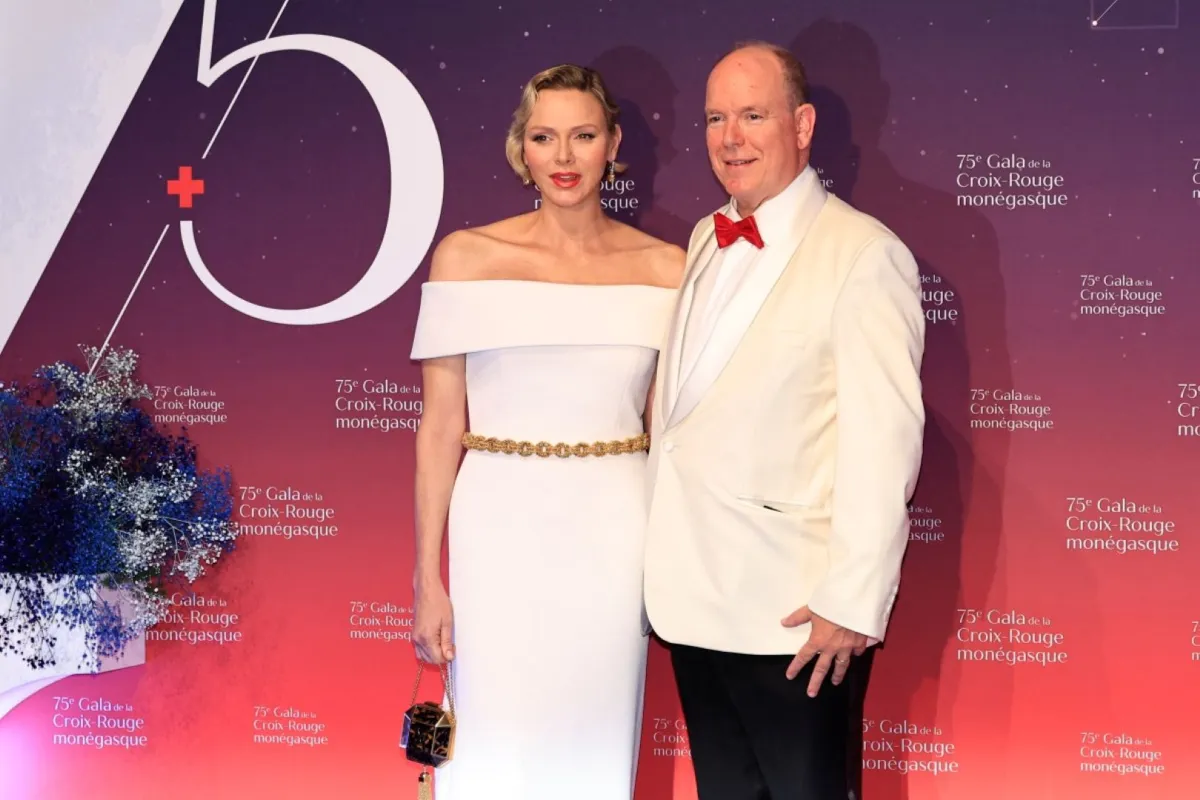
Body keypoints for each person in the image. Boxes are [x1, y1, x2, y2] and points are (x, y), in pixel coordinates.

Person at [642, 41, 926, 798]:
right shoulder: (705, 237)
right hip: (692, 598)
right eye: (715, 118)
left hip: (796, 618)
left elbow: (885, 438)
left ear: (801, 125)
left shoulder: (864, 254)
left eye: (753, 115)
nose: (730, 137)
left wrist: (852, 599)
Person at [408, 63, 685, 800]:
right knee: (491, 734)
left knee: (594, 729)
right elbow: (440, 428)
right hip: (495, 526)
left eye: (583, 136)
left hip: (616, 530)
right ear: (519, 149)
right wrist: (426, 577)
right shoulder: (466, 259)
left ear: (612, 144)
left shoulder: (669, 270)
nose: (564, 158)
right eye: (544, 137)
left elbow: (671, 432)